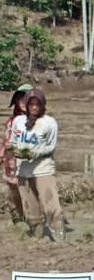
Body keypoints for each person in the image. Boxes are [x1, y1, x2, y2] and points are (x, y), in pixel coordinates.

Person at [9, 88, 67, 242]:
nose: (34, 107)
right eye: (31, 104)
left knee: (51, 205)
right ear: (27, 105)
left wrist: (35, 153)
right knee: (30, 208)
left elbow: (50, 147)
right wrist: (12, 150)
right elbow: (13, 142)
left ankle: (60, 237)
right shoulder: (18, 122)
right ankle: (38, 236)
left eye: (38, 104)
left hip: (43, 170)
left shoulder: (49, 123)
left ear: (43, 106)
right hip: (23, 171)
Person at [2, 84, 31, 224]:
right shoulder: (11, 122)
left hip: (27, 167)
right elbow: (5, 142)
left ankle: (35, 222)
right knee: (13, 195)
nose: (24, 103)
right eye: (21, 100)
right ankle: (18, 222)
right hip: (11, 166)